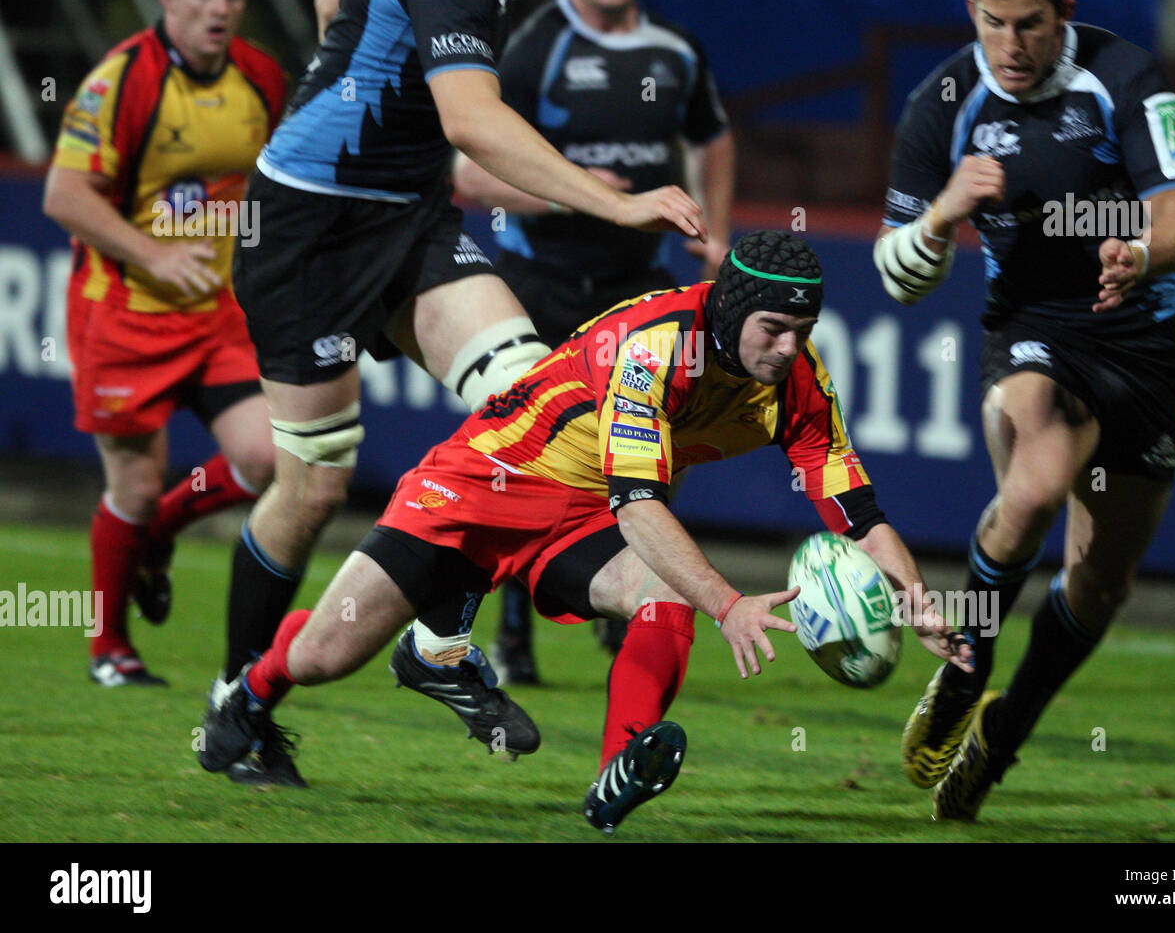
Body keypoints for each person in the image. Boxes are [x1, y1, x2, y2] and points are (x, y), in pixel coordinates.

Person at [196, 231, 971, 834]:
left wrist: (914, 597)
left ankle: (612, 778)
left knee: (664, 587)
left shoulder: (798, 380)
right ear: (733, 310)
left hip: (578, 517)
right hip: (477, 488)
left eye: (804, 329)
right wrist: (728, 603)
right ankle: (250, 697)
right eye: (775, 328)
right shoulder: (656, 348)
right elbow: (641, 506)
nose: (789, 348)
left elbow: (856, 511)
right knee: (329, 653)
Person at [219, 0, 706, 782]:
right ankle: (234, 697)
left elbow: (334, 0)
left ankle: (438, 641)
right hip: (308, 229)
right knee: (315, 484)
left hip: (404, 214)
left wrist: (369, 100)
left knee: (531, 403)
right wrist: (614, 203)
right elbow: (476, 122)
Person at [875, 0, 1175, 820]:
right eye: (990, 20)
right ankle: (966, 664)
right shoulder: (941, 107)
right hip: (1031, 329)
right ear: (970, 10)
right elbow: (895, 273)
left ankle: (1003, 730)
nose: (1009, 45)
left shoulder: (1126, 76)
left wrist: (1138, 253)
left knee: (1102, 579)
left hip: (1141, 338)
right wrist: (944, 212)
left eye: (1028, 22)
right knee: (1035, 486)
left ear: (1064, 9)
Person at [452, 0, 735, 683]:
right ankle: (513, 632)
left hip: (636, 289)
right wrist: (575, 191)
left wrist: (712, 236)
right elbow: (469, 171)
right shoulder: (532, 46)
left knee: (657, 446)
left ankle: (639, 615)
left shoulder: (675, 51)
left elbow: (712, 136)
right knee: (527, 462)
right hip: (539, 281)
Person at [43, 0, 285, 692]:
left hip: (216, 316)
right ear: (169, 0)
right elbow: (63, 195)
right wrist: (152, 255)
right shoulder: (120, 81)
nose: (219, 9)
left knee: (269, 460)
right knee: (134, 484)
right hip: (122, 312)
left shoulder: (262, 81)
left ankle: (161, 534)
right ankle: (108, 646)